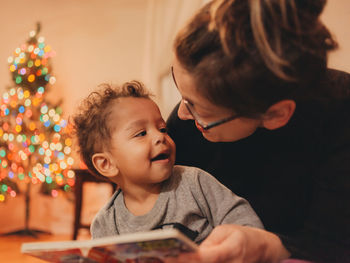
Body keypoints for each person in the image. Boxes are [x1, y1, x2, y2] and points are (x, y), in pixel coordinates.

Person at [165, 0, 350, 262]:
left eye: (199, 110)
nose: (182, 114)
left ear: (274, 115)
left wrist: (268, 246)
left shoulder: (341, 113)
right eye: (182, 94)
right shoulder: (184, 125)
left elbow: (332, 241)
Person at [72, 80, 263, 244]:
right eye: (141, 133)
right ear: (107, 164)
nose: (160, 137)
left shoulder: (193, 182)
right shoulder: (106, 224)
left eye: (162, 129)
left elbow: (246, 225)